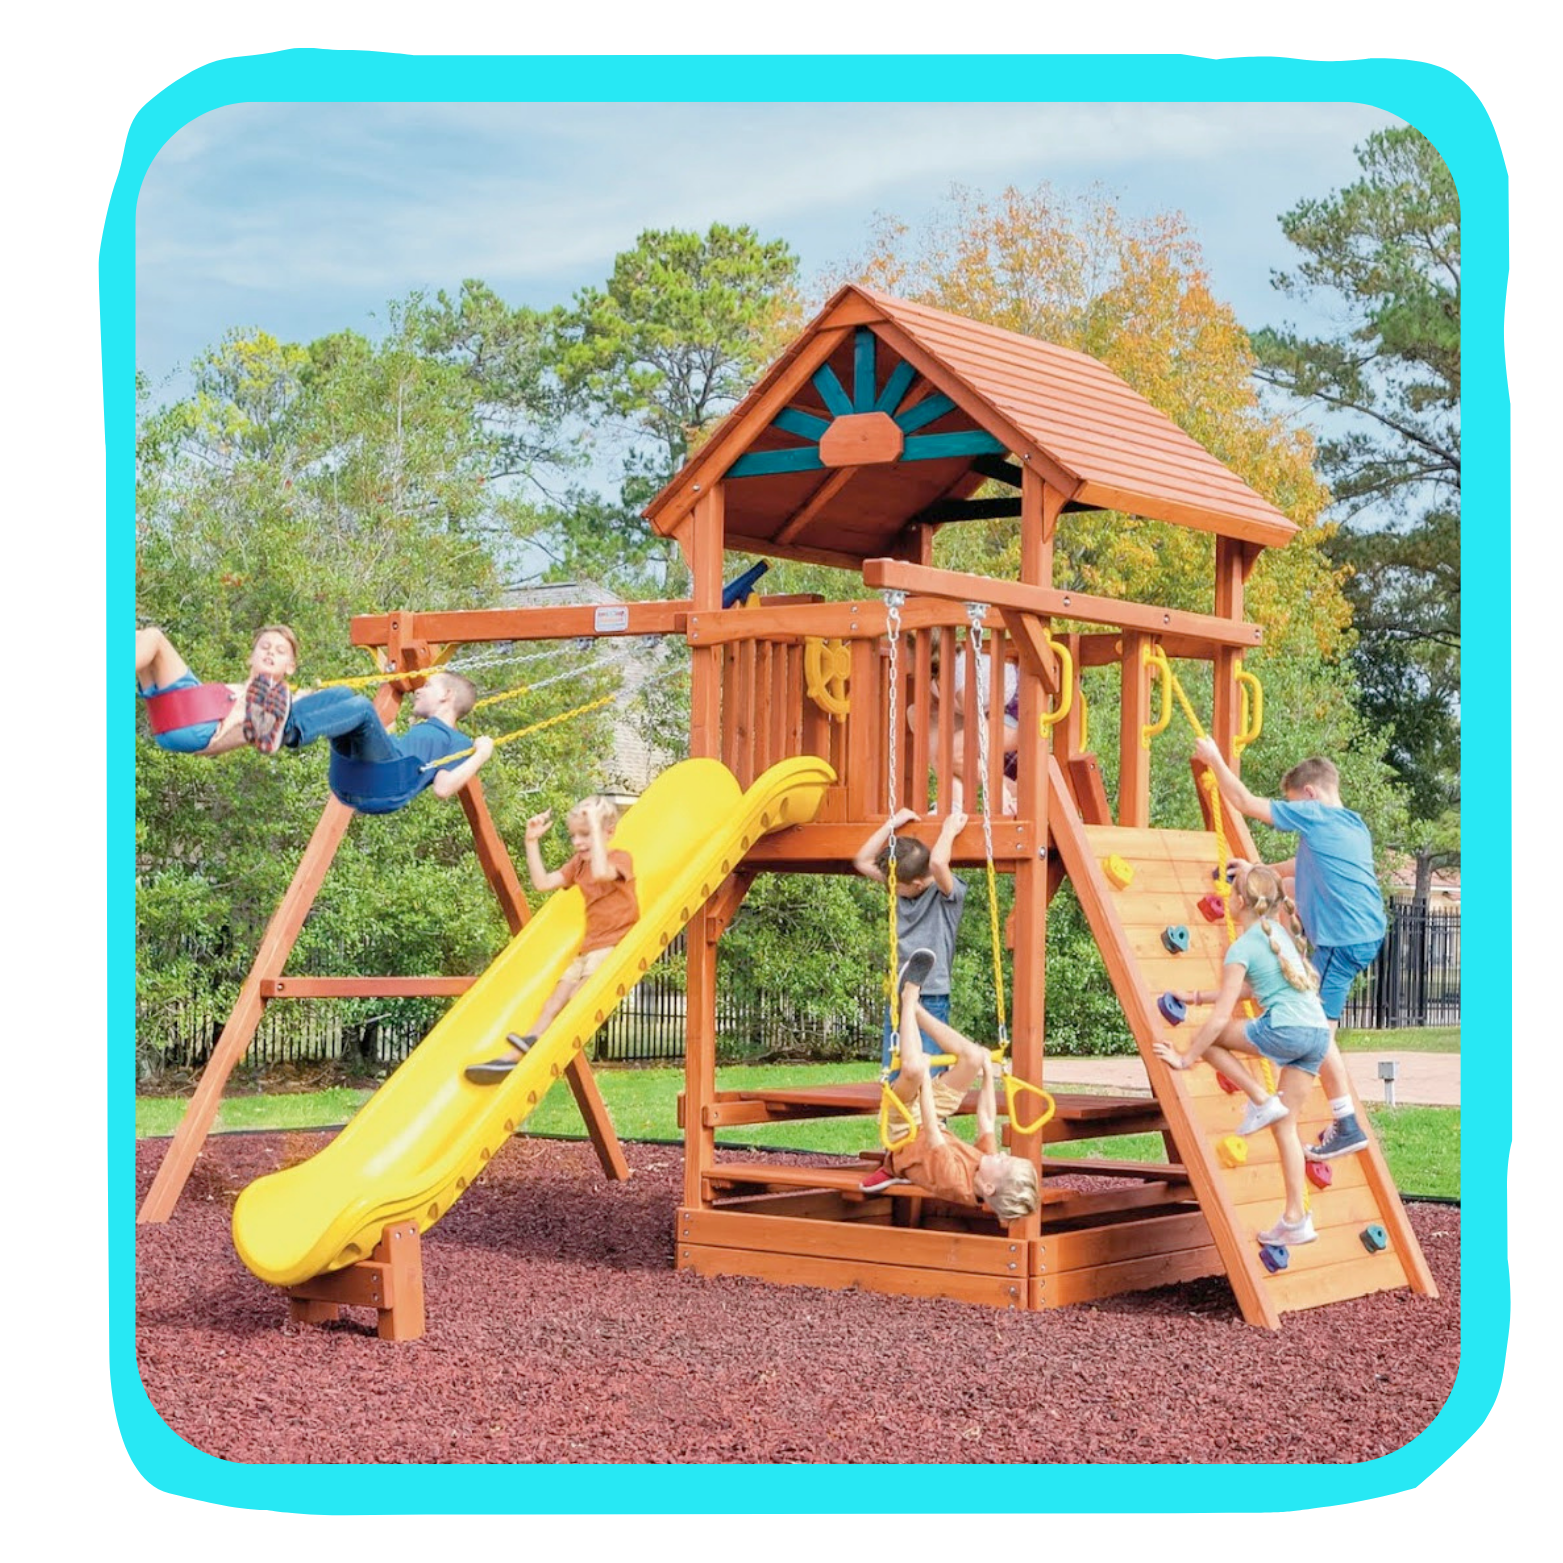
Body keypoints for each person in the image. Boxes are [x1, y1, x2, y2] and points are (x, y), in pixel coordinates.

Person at [1193, 739, 1384, 1161]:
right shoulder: (1351, 824)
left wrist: (1214, 758)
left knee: (1317, 1028)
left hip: (1343, 938)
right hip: (1364, 931)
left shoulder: (1314, 815)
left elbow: (1242, 801)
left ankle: (1343, 1120)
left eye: (1292, 802)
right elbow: (1302, 870)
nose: (1292, 810)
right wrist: (1257, 872)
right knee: (1314, 1023)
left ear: (1309, 795)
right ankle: (1314, 1110)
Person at [1152, 864, 1329, 1247]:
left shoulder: (1242, 946)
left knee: (1210, 1040)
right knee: (1287, 1127)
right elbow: (1251, 990)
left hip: (1286, 1029)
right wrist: (1196, 996)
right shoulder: (1276, 933)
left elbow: (1218, 1023)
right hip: (1316, 1036)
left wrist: (1185, 1058)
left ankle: (1261, 1099)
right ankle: (1295, 1218)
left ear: (1238, 901)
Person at [465, 796, 638, 1082]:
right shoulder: (578, 865)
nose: (578, 842)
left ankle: (540, 1049)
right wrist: (531, 842)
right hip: (588, 948)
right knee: (553, 1001)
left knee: (574, 998)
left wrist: (595, 826)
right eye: (574, 835)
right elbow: (542, 883)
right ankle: (520, 1052)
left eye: (586, 834)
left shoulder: (619, 859)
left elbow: (602, 872)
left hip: (614, 945)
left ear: (608, 833)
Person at [858, 948, 1040, 1219]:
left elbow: (932, 1130)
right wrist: (988, 1074)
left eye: (1003, 1162)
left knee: (916, 1067)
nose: (1001, 1155)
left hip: (904, 1132)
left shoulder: (956, 1181)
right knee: (973, 1056)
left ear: (988, 1186)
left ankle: (909, 997)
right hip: (931, 1119)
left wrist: (925, 1085)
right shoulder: (986, 1165)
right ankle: (916, 1012)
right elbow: (987, 1119)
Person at [250, 668, 495, 814]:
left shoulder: (458, 741)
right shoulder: (423, 730)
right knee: (341, 694)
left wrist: (481, 754)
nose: (418, 690)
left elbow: (443, 789)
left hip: (385, 785)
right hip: (355, 777)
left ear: (447, 696)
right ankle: (279, 717)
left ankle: (288, 731)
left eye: (428, 686)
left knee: (363, 709)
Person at [853, 807, 968, 1076]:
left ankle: (932, 1119)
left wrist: (949, 829)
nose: (889, 889)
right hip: (900, 995)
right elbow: (862, 861)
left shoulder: (947, 895)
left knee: (927, 1071)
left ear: (916, 883)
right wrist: (892, 824)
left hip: (931, 995)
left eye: (894, 886)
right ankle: (898, 1117)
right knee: (895, 1070)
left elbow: (939, 863)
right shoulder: (902, 883)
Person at [136, 624, 300, 757]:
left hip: (197, 726)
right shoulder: (236, 689)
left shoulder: (276, 698)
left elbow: (241, 726)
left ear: (290, 667)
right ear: (251, 657)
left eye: (280, 651)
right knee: (138, 637)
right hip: (172, 720)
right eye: (264, 647)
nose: (270, 652)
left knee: (154, 636)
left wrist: (214, 744)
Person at [926, 632, 1020, 814]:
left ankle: (1009, 791)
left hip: (1017, 715)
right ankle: (952, 801)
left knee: (950, 752)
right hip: (987, 714)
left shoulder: (957, 670)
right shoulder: (930, 674)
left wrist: (993, 784)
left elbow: (977, 727)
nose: (893, 652)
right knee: (917, 713)